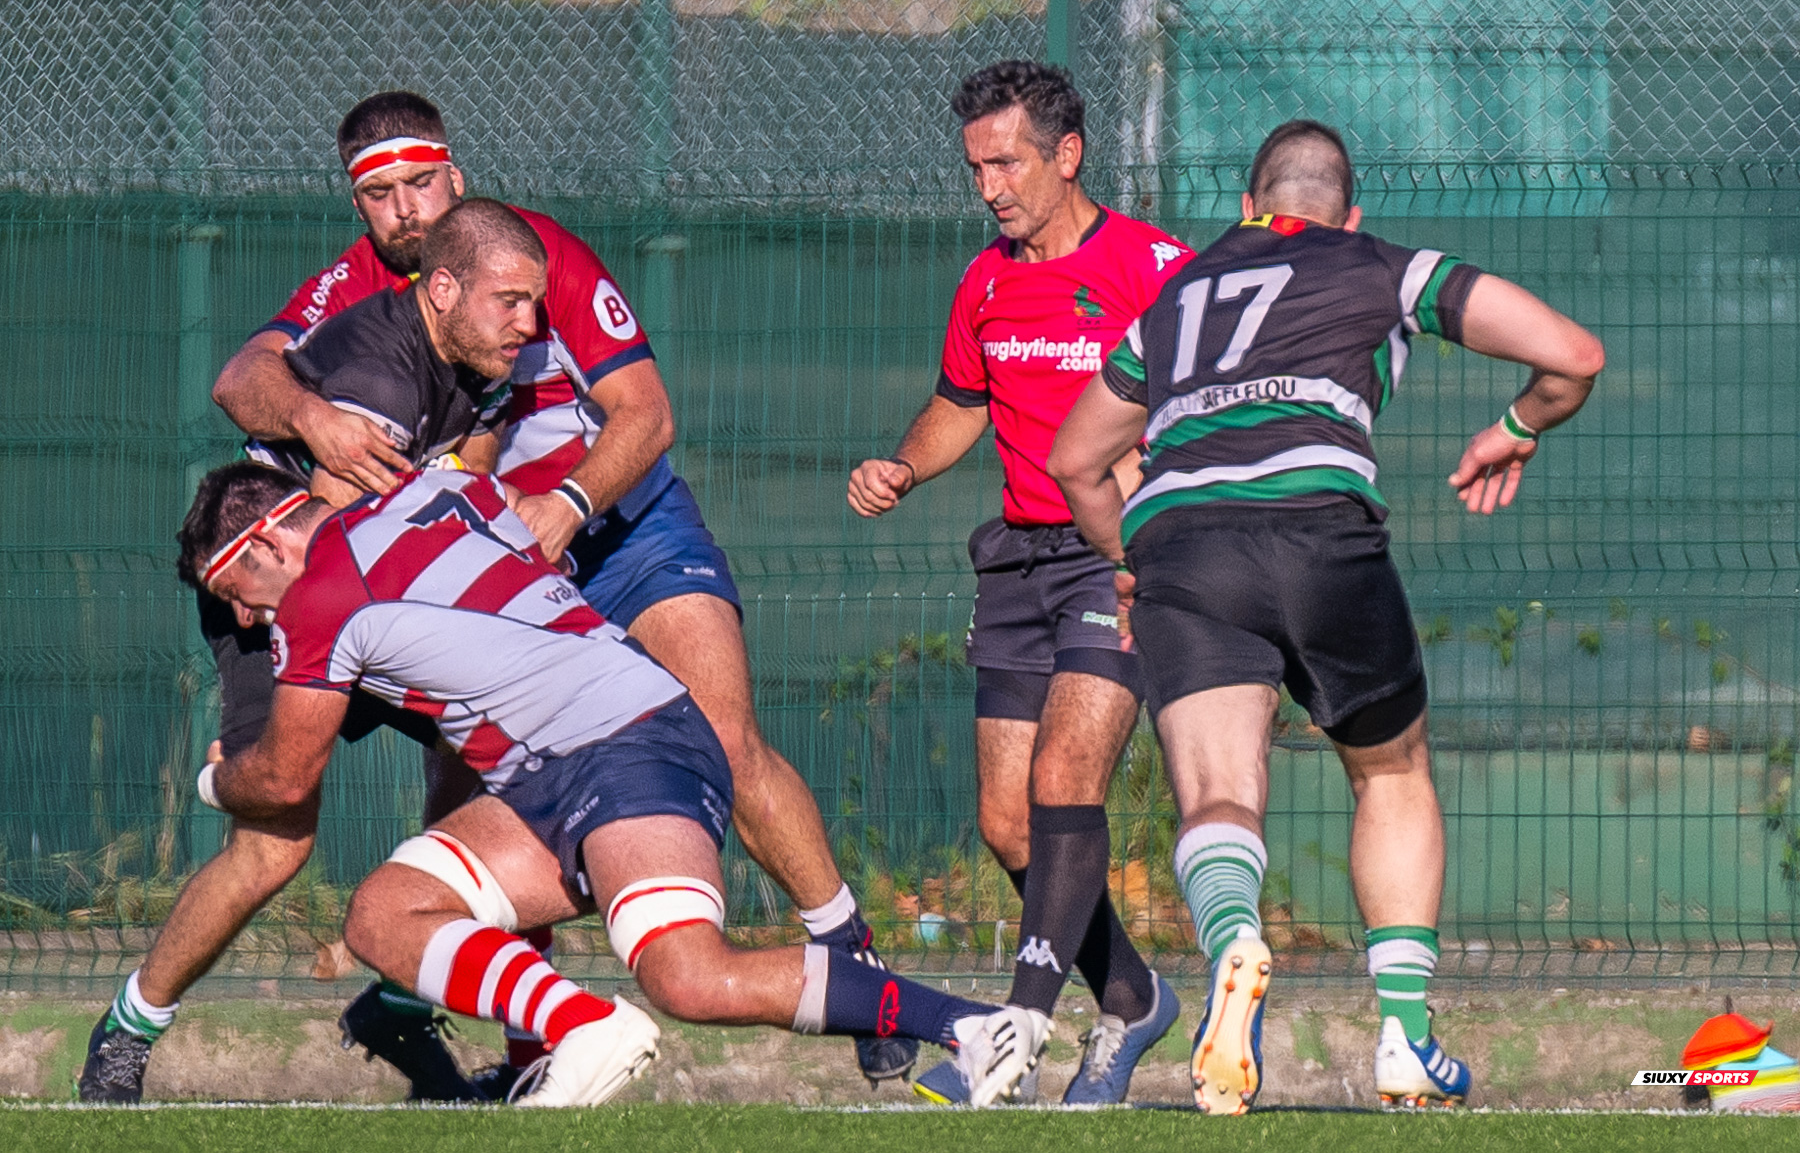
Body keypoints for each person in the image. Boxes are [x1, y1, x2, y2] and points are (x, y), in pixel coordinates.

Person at [179, 460, 1044, 1108]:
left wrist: (219, 784)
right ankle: (580, 1029)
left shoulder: (317, 599)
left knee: (688, 979)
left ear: (266, 542)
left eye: (239, 591)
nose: (250, 620)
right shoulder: (441, 489)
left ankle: (973, 1026)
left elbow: (287, 777)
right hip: (563, 763)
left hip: (625, 743)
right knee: (384, 911)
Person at [1048, 119, 1606, 1113]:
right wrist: (1515, 427)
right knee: (1390, 768)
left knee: (1219, 787)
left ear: (1246, 207)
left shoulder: (1176, 297)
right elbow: (1572, 352)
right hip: (1320, 534)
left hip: (1187, 539)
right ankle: (1404, 1035)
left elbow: (1077, 460)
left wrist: (1134, 561)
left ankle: (1236, 942)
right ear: (1346, 214)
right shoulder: (1378, 262)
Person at [80, 198, 545, 1104]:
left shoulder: (479, 351)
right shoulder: (379, 377)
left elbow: (468, 456)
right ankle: (128, 1030)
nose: (529, 323)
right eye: (512, 303)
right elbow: (337, 546)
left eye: (535, 302)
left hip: (369, 588)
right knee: (275, 840)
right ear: (444, 290)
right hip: (284, 594)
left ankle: (406, 999)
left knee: (498, 772)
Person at [847, 61, 1192, 1104]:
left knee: (1062, 786)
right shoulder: (987, 279)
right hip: (1017, 562)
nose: (989, 185)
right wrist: (906, 463)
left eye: (1006, 162)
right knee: (1008, 824)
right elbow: (961, 401)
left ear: (1067, 155)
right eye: (976, 167)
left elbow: (1209, 405)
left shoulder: (1154, 265)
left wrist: (1160, 499)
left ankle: (1019, 1028)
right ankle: (1130, 994)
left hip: (1118, 557)